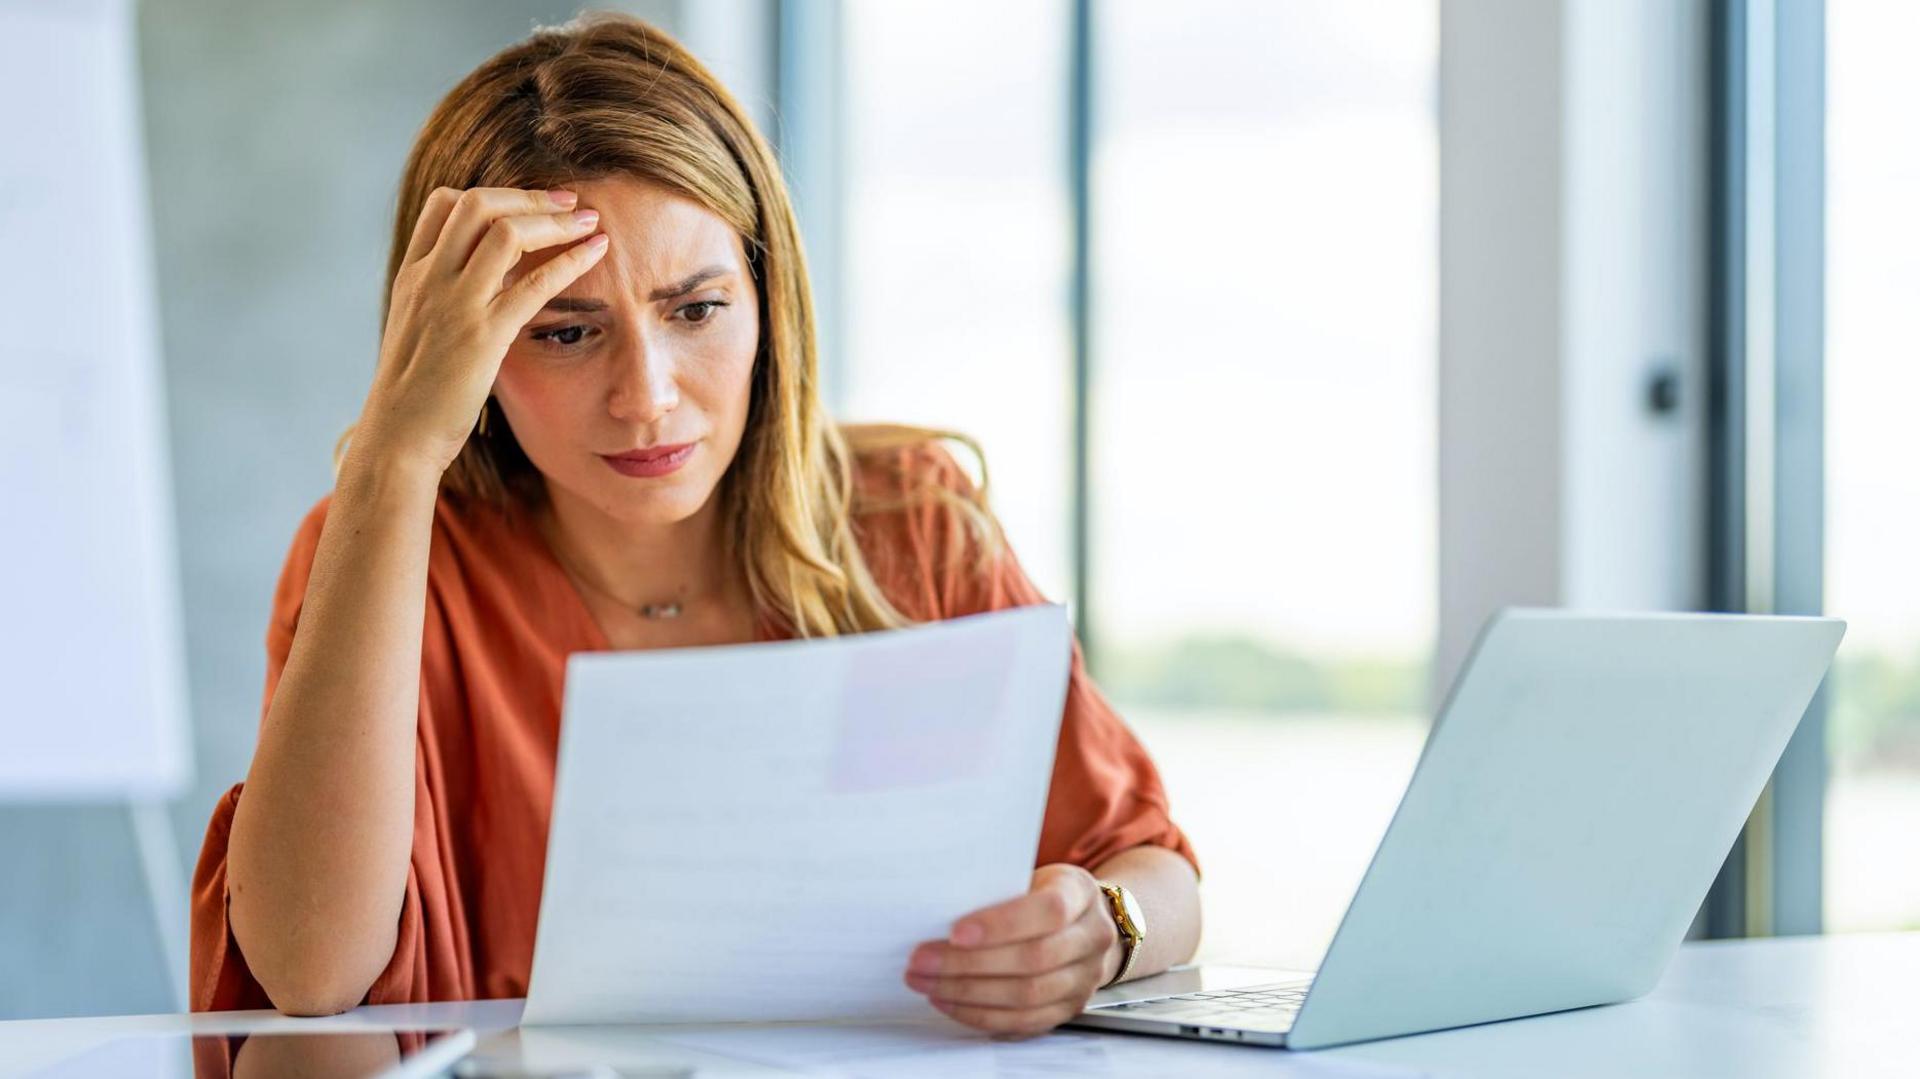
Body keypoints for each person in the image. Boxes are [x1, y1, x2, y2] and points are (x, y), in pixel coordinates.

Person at [188, 12, 1200, 1038]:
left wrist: (1103, 927)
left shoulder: (913, 521)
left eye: (696, 310)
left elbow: (1157, 873)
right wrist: (394, 455)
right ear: (466, 350)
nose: (648, 397)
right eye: (566, 332)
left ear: (766, 296)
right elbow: (308, 969)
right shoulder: (391, 555)